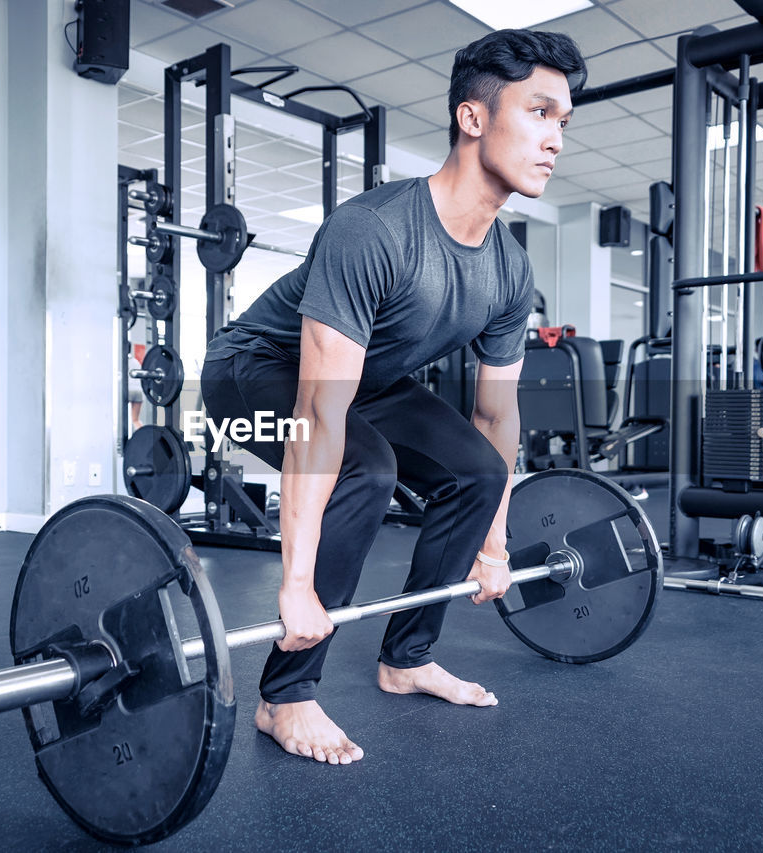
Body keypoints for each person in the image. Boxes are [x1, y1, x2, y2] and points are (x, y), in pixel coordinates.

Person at [200, 29, 584, 765]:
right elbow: (317, 413)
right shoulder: (373, 231)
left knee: (476, 471)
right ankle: (285, 694)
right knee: (363, 465)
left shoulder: (508, 271)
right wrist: (298, 586)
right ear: (474, 119)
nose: (555, 139)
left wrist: (494, 542)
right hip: (252, 368)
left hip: (368, 382)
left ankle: (406, 658)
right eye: (539, 112)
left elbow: (496, 417)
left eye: (563, 122)